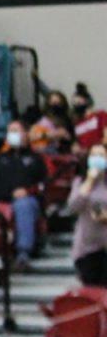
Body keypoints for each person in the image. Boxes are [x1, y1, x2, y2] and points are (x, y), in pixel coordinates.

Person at [0, 120, 47, 269]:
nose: (12, 135)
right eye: (10, 132)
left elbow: (45, 183)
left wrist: (28, 191)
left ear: (25, 134)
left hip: (24, 199)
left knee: (24, 205)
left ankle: (23, 253)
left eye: (16, 131)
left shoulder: (36, 159)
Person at [68, 145, 107, 286]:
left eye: (101, 155)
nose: (98, 159)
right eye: (94, 155)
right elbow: (73, 207)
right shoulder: (80, 182)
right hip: (87, 247)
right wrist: (90, 181)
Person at [73, 83, 107, 152]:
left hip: (100, 152)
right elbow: (79, 143)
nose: (77, 104)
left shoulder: (100, 115)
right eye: (75, 103)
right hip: (84, 157)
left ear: (87, 100)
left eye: (79, 102)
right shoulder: (77, 124)